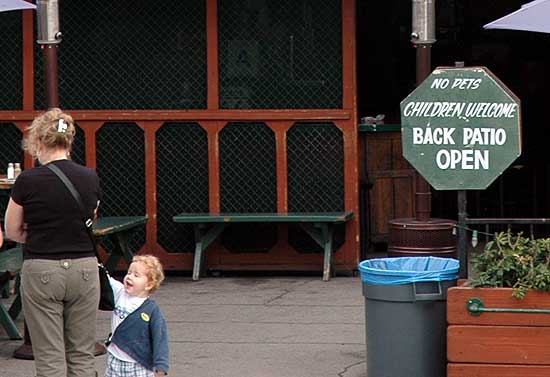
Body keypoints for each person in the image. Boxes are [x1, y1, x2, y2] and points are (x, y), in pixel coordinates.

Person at [4, 108, 101, 377]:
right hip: (84, 268)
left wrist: (36, 234)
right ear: (69, 141)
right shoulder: (90, 177)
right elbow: (90, 219)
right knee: (82, 354)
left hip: (42, 267)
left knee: (49, 357)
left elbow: (11, 230)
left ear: (38, 142)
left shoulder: (27, 180)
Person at [105, 254, 169, 377]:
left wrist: (161, 366)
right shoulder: (120, 293)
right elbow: (106, 279)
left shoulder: (151, 310)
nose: (129, 277)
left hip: (138, 364)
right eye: (129, 273)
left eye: (136, 275)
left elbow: (160, 338)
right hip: (114, 359)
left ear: (149, 285)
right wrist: (96, 267)